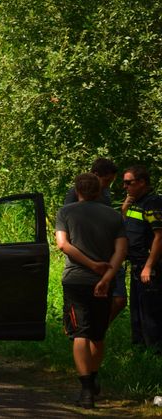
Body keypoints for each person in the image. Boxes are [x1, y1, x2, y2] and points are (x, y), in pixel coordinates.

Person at [55, 172, 127, 409]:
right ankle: (93, 381)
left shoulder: (66, 212)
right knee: (98, 333)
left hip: (76, 280)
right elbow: (120, 251)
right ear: (99, 191)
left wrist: (90, 265)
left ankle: (86, 390)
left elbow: (63, 244)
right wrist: (106, 276)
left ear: (77, 191)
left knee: (80, 333)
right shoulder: (115, 216)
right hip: (103, 283)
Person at [63, 158, 128, 323]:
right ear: (95, 175)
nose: (107, 185)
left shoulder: (105, 193)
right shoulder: (73, 195)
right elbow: (68, 233)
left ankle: (98, 329)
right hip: (84, 260)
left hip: (109, 255)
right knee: (86, 308)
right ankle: (89, 330)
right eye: (106, 181)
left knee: (119, 300)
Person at [121, 165, 162, 352]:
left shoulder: (152, 203)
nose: (125, 187)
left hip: (150, 269)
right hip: (136, 266)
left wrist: (149, 266)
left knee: (150, 314)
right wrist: (125, 209)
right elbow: (128, 229)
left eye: (129, 183)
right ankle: (139, 351)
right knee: (137, 313)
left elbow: (159, 237)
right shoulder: (134, 203)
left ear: (142, 182)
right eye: (124, 183)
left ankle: (154, 353)